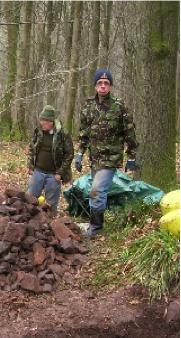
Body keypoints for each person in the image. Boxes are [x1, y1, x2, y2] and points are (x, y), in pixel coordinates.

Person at [75, 68, 138, 237]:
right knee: (94, 191)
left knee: (97, 189)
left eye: (106, 83)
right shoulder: (88, 106)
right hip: (95, 157)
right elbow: (84, 133)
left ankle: (96, 227)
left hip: (111, 158)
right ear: (95, 86)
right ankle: (94, 223)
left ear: (110, 86)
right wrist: (80, 154)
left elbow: (129, 132)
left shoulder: (119, 105)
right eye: (100, 83)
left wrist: (131, 155)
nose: (103, 86)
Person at [27, 105, 74, 216]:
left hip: (54, 175)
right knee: (29, 200)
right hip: (37, 172)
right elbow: (31, 147)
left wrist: (60, 172)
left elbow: (69, 154)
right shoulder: (38, 131)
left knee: (51, 204)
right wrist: (30, 165)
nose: (42, 122)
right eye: (41, 119)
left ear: (51, 121)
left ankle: (51, 227)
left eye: (45, 120)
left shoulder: (63, 134)